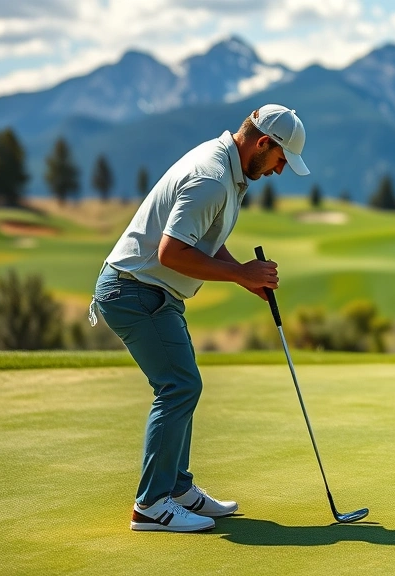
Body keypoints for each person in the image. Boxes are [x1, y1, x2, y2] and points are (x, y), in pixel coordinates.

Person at [90, 104, 310, 532]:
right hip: (134, 291)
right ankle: (152, 505)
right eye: (281, 159)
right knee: (180, 385)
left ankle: (176, 488)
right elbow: (171, 252)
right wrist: (240, 273)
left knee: (182, 384)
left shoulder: (227, 169)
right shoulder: (212, 177)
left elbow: (201, 240)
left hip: (152, 291)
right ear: (264, 143)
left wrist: (242, 276)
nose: (280, 171)